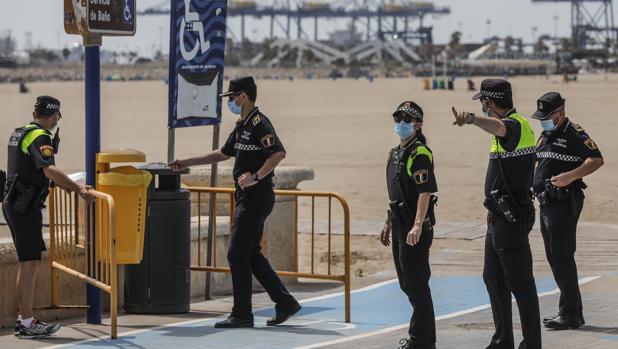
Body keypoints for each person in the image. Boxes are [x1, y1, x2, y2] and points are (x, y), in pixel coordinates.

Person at [171, 77, 301, 328]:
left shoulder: (259, 123)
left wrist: (256, 176)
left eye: (232, 97)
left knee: (236, 253)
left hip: (257, 196)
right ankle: (285, 302)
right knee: (251, 255)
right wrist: (186, 162)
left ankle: (242, 314)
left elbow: (278, 153)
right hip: (247, 197)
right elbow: (223, 153)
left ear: (243, 96)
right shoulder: (242, 125)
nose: (229, 102)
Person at [452, 79, 542, 349]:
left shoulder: (515, 126)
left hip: (510, 217)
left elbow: (501, 127)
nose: (483, 107)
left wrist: (471, 119)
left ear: (489, 102)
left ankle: (531, 344)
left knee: (520, 283)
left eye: (483, 102)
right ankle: (503, 341)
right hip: (498, 216)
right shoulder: (510, 131)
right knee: (492, 277)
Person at [3, 96, 96, 339]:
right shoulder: (39, 136)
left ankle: (25, 319)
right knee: (30, 262)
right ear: (54, 116)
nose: (56, 121)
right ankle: (26, 322)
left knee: (28, 261)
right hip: (25, 207)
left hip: (14, 203)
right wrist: (78, 190)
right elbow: (48, 169)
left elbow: (27, 169)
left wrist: (59, 185)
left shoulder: (19, 132)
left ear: (35, 112)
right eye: (57, 117)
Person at [531, 92, 604, 330]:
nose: (542, 120)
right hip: (546, 203)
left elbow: (596, 159)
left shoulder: (574, 133)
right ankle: (571, 312)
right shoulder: (546, 135)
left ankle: (569, 314)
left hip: (564, 202)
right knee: (555, 257)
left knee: (562, 257)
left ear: (560, 112)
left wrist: (569, 176)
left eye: (546, 116)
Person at [380, 101, 438, 349]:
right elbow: (395, 193)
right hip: (399, 221)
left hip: (414, 226)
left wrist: (417, 225)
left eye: (406, 119)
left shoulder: (420, 153)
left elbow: (425, 192)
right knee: (408, 283)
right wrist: (387, 222)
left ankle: (420, 341)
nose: (401, 123)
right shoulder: (394, 153)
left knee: (415, 284)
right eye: (398, 118)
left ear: (418, 124)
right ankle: (426, 340)